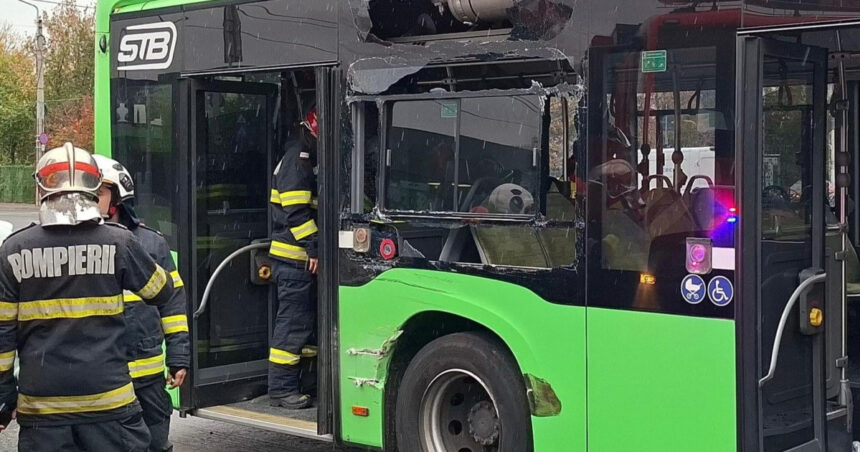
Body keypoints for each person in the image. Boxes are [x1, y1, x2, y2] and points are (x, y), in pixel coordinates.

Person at [0, 143, 174, 451]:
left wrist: (4, 396)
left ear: (41, 189)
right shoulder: (120, 241)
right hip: (109, 405)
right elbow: (161, 291)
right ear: (94, 188)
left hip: (42, 411)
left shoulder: (14, 249)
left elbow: (3, 336)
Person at [93, 154, 190, 452]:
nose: (90, 200)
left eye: (98, 192)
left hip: (147, 378)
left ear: (118, 196)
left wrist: (178, 357)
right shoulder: (77, 244)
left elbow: (173, 304)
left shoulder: (151, 244)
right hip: (102, 379)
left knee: (155, 443)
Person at [267, 108, 319, 409]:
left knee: (304, 325)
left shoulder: (306, 158)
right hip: (294, 260)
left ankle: (302, 383)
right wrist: (314, 248)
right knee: (292, 325)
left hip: (299, 261)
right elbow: (296, 213)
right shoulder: (297, 159)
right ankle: (281, 389)